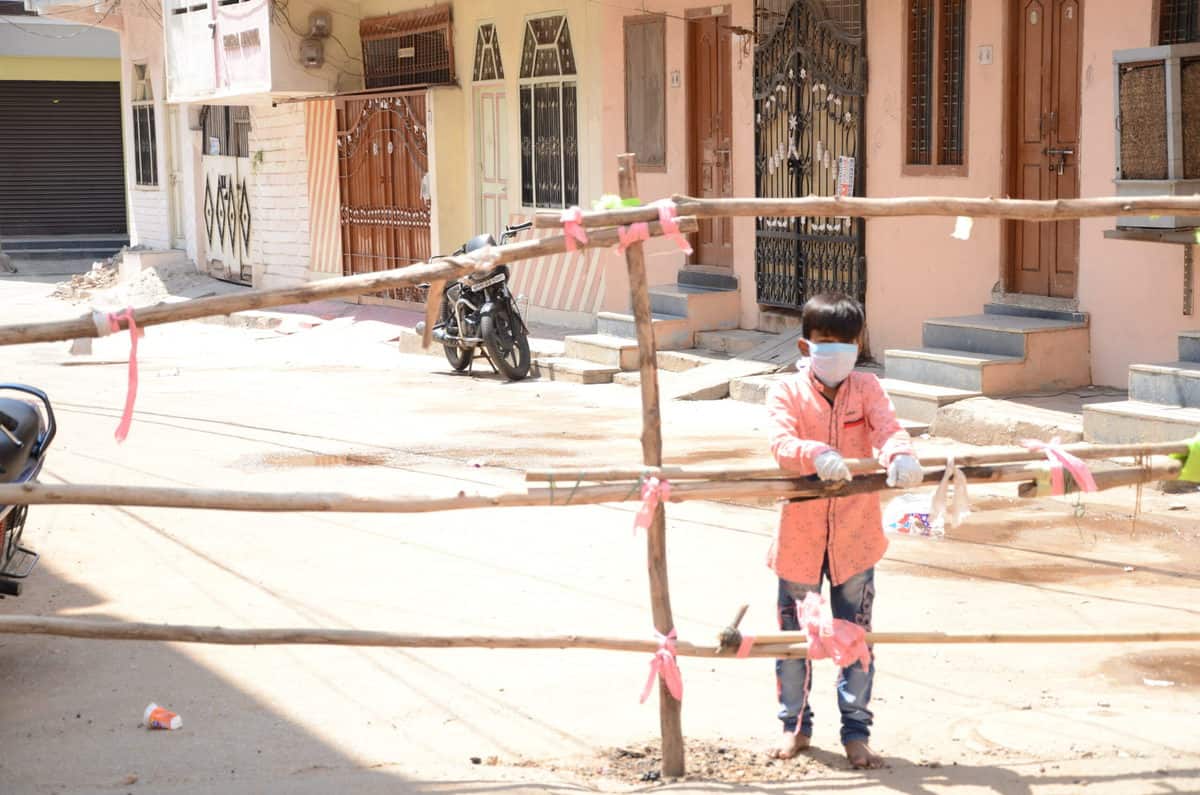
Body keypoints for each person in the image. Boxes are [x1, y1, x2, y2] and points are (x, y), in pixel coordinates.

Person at [764, 292, 924, 769]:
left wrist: (900, 454)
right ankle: (793, 726)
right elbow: (780, 441)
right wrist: (814, 454)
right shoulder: (785, 392)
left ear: (859, 345)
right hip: (800, 541)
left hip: (856, 539)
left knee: (856, 638)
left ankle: (856, 733)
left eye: (846, 342)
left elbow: (888, 428)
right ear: (804, 346)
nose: (836, 350)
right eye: (826, 341)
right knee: (794, 641)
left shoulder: (868, 388)